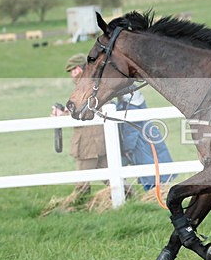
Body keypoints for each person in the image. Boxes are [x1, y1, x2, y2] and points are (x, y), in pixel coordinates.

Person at [51, 53, 107, 197]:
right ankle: (131, 200)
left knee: (81, 186)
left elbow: (82, 112)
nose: (71, 75)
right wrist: (64, 110)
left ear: (79, 69)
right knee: (113, 179)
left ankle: (77, 206)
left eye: (72, 71)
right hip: (99, 142)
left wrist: (61, 115)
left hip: (87, 144)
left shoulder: (85, 86)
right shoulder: (93, 84)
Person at [115, 89, 175, 191]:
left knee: (150, 174)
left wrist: (128, 149)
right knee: (156, 172)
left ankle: (155, 197)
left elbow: (131, 131)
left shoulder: (131, 106)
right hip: (148, 141)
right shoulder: (134, 103)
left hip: (141, 145)